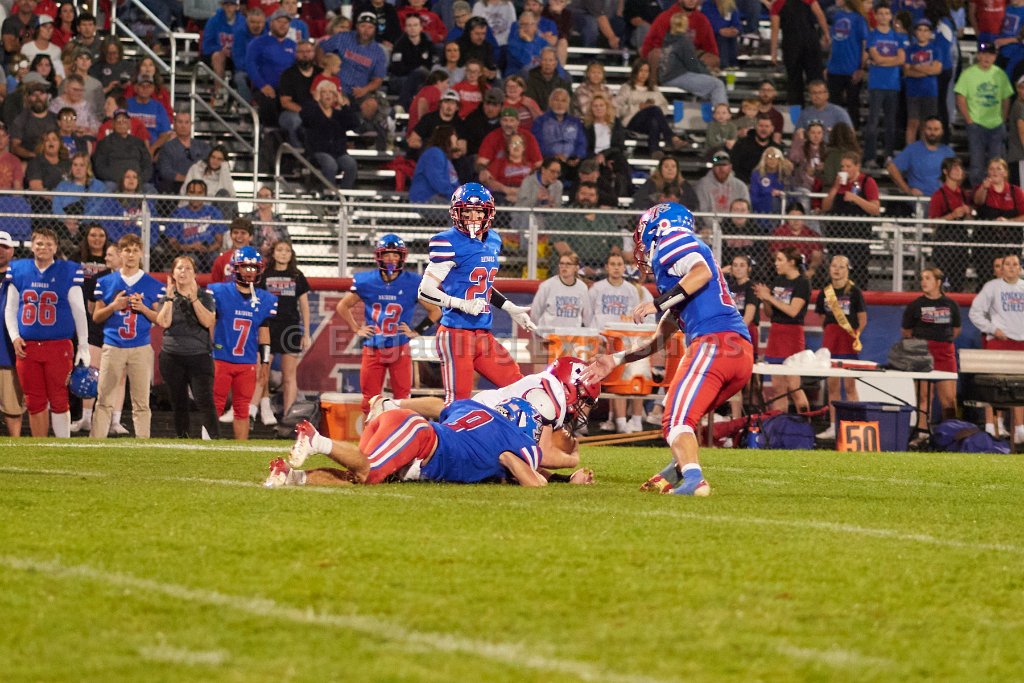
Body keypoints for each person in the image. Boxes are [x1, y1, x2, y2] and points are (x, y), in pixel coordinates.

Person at [582, 202, 753, 496]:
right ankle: (673, 472)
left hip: (714, 344)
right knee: (685, 417)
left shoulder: (672, 241)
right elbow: (659, 340)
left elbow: (701, 273)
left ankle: (695, 480)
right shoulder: (677, 280)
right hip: (738, 353)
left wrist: (657, 303)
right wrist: (616, 359)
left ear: (657, 228)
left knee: (675, 419)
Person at [417, 183, 535, 404]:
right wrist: (461, 303)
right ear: (456, 213)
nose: (473, 217)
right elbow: (425, 290)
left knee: (518, 387)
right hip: (455, 333)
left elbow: (481, 285)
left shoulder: (494, 240)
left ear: (488, 213)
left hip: (482, 333)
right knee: (458, 402)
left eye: (478, 211)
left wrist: (509, 307)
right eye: (467, 211)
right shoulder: (447, 241)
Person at [267, 397, 553, 487]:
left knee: (359, 477)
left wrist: (396, 403)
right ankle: (316, 440)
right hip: (418, 436)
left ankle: (291, 476)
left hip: (408, 426)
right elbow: (531, 480)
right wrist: (556, 471)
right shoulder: (512, 442)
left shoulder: (475, 410)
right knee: (368, 471)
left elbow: (438, 404)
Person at [336, 234, 438, 415]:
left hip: (399, 347)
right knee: (369, 401)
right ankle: (371, 433)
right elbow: (343, 306)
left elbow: (436, 311)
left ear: (402, 257)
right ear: (379, 256)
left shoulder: (413, 282)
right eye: (387, 254)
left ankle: (402, 431)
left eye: (395, 254)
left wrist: (416, 331)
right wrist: (356, 328)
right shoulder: (367, 281)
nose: (391, 259)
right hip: (373, 347)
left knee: (403, 400)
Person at [3, 226, 90, 438]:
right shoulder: (19, 269)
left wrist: (84, 345)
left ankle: (62, 447)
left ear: (56, 247)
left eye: (48, 244)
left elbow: (79, 310)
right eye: (39, 243)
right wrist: (15, 337)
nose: (43, 247)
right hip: (28, 346)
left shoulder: (67, 270)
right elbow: (10, 309)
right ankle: (39, 446)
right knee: (34, 400)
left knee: (59, 398)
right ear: (32, 246)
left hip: (58, 345)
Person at [89, 234, 164, 438]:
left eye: (135, 250)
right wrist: (113, 306)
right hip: (113, 345)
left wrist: (143, 309)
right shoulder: (105, 282)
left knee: (141, 402)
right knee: (104, 399)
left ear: (141, 253)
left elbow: (160, 319)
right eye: (127, 250)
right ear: (120, 253)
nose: (131, 255)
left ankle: (143, 444)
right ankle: (96, 443)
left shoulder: (152, 284)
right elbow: (96, 316)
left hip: (140, 346)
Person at [208, 247, 278, 440]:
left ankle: (241, 448)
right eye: (245, 266)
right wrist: (209, 350)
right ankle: (206, 445)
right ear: (236, 268)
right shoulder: (219, 291)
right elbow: (210, 323)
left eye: (253, 267)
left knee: (242, 408)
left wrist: (265, 361)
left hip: (247, 361)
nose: (249, 271)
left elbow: (264, 333)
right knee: (215, 405)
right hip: (221, 358)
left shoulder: (265, 299)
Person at [157, 255, 218, 439]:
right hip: (172, 356)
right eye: (179, 268)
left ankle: (215, 440)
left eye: (188, 268)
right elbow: (163, 322)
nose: (183, 272)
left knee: (205, 401)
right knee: (178, 402)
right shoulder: (167, 296)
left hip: (199, 356)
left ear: (195, 274)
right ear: (173, 273)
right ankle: (182, 439)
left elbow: (208, 321)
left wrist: (194, 300)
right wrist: (169, 299)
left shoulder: (205, 296)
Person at [69, 224, 121, 435]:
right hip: (87, 320)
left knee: (117, 376)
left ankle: (113, 419)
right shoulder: (78, 259)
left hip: (114, 329)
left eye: (101, 235)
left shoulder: (124, 276)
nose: (97, 239)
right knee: (87, 370)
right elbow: (91, 308)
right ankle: (84, 417)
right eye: (93, 235)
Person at [251, 240, 310, 423]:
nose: (283, 253)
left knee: (289, 377)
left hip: (290, 328)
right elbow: (257, 302)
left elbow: (304, 306)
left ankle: (288, 419)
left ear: (291, 255)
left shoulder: (297, 275)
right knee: (262, 372)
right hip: (268, 327)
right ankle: (252, 412)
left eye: (287, 251)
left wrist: (306, 333)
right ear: (273, 253)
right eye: (280, 250)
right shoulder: (264, 274)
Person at [589, 251, 649, 433]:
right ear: (607, 267)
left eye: (619, 264)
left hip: (624, 341)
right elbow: (588, 314)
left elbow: (634, 316)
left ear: (624, 268)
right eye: (612, 264)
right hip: (601, 340)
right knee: (600, 379)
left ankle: (626, 421)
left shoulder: (631, 290)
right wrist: (596, 337)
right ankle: (607, 420)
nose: (616, 268)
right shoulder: (597, 288)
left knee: (627, 378)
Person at [902, 266, 960, 442]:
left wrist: (940, 341)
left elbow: (956, 329)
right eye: (922, 278)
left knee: (949, 399)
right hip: (922, 355)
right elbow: (906, 331)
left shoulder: (951, 304)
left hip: (945, 355)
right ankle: (922, 433)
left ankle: (951, 436)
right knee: (924, 396)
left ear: (938, 282)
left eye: (928, 278)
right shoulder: (915, 305)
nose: (923, 282)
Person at [813, 255, 867, 439]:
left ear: (847, 270)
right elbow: (822, 317)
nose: (837, 270)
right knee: (833, 386)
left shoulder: (855, 292)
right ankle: (833, 426)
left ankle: (856, 426)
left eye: (841, 266)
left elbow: (862, 319)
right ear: (829, 269)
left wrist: (855, 336)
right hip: (831, 341)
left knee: (850, 386)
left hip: (848, 341)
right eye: (834, 266)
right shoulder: (825, 292)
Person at [753, 245, 811, 413]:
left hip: (792, 334)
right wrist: (765, 299)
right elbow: (770, 313)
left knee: (794, 387)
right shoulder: (778, 281)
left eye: (780, 260)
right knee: (777, 388)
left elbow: (793, 311)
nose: (776, 263)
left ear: (791, 262)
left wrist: (769, 297)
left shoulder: (802, 282)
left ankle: (805, 423)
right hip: (776, 333)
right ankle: (779, 425)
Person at [955, 40, 1013, 186]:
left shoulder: (1000, 74)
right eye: (984, 54)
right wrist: (968, 119)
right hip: (976, 124)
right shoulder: (968, 74)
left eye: (990, 55)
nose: (987, 57)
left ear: (995, 57)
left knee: (998, 164)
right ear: (978, 55)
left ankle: (997, 192)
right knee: (977, 164)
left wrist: (1003, 118)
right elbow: (960, 97)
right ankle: (978, 193)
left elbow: (1006, 98)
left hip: (996, 125)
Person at [822, 150, 880, 287]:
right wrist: (835, 188)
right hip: (837, 235)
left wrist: (856, 198)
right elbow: (825, 207)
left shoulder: (867, 182)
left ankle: (858, 297)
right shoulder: (838, 183)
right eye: (843, 166)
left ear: (857, 166)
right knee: (835, 273)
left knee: (857, 273)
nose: (845, 169)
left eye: (848, 166)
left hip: (858, 236)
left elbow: (875, 209)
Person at [862, 2, 907, 168]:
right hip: (876, 84)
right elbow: (876, 57)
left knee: (890, 123)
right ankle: (870, 157)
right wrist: (889, 60)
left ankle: (889, 156)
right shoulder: (872, 35)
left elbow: (901, 60)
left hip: (893, 85)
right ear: (875, 15)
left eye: (886, 13)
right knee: (873, 122)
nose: (883, 16)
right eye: (880, 13)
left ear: (891, 16)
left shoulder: (897, 36)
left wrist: (882, 61)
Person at [613, 59, 683, 155]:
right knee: (654, 110)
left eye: (646, 71)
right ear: (635, 72)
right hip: (632, 121)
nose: (644, 74)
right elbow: (617, 109)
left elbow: (664, 107)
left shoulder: (653, 88)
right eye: (641, 70)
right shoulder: (626, 88)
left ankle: (655, 151)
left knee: (654, 119)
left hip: (649, 122)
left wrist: (650, 107)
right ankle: (671, 138)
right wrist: (638, 107)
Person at [300, 80, 360, 189]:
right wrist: (315, 101)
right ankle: (329, 193)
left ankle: (344, 194)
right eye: (324, 92)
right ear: (319, 95)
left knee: (351, 164)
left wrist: (343, 105)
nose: (328, 95)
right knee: (330, 164)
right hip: (318, 151)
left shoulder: (339, 114)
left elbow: (355, 123)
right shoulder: (313, 110)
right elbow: (306, 117)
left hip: (338, 152)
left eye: (331, 92)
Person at [660, 11, 729, 106]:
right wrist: (708, 73)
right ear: (686, 24)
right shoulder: (683, 41)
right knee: (718, 84)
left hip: (666, 76)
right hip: (676, 76)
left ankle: (710, 112)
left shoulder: (667, 39)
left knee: (709, 87)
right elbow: (692, 62)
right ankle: (722, 113)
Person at [768, 0, 830, 106]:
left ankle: (796, 114)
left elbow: (775, 29)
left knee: (794, 83)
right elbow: (819, 14)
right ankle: (820, 109)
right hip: (810, 42)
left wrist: (773, 53)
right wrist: (826, 33)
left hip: (791, 45)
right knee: (816, 79)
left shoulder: (777, 3)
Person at [928, 156, 973, 292]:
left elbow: (970, 220)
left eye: (960, 167)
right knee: (943, 281)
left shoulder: (964, 194)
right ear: (945, 171)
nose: (959, 170)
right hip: (944, 242)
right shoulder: (938, 195)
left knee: (959, 281)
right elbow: (932, 223)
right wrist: (952, 215)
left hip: (961, 242)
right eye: (954, 167)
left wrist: (968, 213)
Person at [972, 158, 1024, 269]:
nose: (994, 171)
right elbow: (978, 201)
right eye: (991, 169)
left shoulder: (1016, 191)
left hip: (1010, 241)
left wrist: (1009, 221)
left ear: (1005, 173)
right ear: (988, 172)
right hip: (985, 242)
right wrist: (984, 188)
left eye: (998, 168)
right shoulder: (982, 188)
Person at [886, 117, 955, 199]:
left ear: (942, 131)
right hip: (920, 200)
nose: (932, 132)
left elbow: (958, 174)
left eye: (936, 129)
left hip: (943, 199)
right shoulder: (912, 149)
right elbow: (891, 168)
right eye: (929, 129)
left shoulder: (948, 152)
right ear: (924, 130)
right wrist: (907, 190)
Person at [247, 9, 297, 123]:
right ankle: (269, 130)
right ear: (271, 23)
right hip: (265, 88)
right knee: (268, 102)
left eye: (286, 22)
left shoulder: (293, 45)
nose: (283, 25)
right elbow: (250, 65)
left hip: (287, 90)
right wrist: (262, 85)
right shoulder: (258, 43)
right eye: (279, 21)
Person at [165, 179, 226, 272]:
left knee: (216, 259)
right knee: (191, 260)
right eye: (192, 192)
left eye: (199, 193)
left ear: (205, 195)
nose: (196, 196)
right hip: (186, 252)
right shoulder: (178, 213)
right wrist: (190, 247)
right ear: (187, 194)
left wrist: (208, 248)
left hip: (209, 251)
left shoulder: (213, 212)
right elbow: (172, 242)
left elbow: (219, 241)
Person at [826, 0, 869, 128]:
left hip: (852, 69)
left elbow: (865, 45)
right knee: (833, 106)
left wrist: (861, 68)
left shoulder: (859, 19)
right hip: (834, 69)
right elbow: (834, 42)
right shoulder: (837, 16)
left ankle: (852, 134)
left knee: (852, 106)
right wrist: (828, 64)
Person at [0, 231, 25, 436]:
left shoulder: (21, 276)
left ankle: (15, 446)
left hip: (7, 351)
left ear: (12, 250)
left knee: (13, 407)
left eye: (5, 247)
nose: (0, 251)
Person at [903, 18, 942, 146]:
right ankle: (910, 150)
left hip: (930, 91)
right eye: (920, 30)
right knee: (913, 122)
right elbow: (907, 71)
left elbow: (937, 69)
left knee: (927, 124)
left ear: (930, 33)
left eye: (926, 30)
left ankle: (925, 150)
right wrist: (927, 70)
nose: (923, 33)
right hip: (913, 91)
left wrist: (916, 67)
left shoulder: (935, 49)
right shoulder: (910, 49)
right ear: (915, 32)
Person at [92, 108, 153, 188]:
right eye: (118, 121)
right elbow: (99, 167)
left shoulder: (138, 142)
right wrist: (121, 180)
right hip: (114, 181)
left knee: (149, 189)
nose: (122, 124)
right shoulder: (104, 143)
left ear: (129, 124)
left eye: (124, 121)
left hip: (137, 182)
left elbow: (147, 165)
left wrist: (137, 180)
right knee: (108, 186)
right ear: (113, 124)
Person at [532, 252, 594, 328]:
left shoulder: (582, 287)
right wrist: (540, 331)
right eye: (562, 263)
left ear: (576, 268)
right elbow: (535, 312)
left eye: (568, 264)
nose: (564, 267)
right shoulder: (547, 286)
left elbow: (587, 315)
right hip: (550, 333)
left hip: (572, 333)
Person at [156, 112, 211, 194]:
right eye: (180, 122)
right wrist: (187, 179)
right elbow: (165, 171)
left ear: (191, 125)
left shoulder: (203, 146)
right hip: (175, 187)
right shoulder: (167, 147)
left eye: (186, 122)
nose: (183, 126)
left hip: (202, 186)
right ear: (174, 124)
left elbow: (210, 167)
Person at [695, 150, 751, 214]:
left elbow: (745, 212)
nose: (721, 168)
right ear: (713, 167)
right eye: (717, 165)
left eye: (724, 165)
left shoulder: (740, 186)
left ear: (730, 167)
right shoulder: (702, 185)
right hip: (709, 220)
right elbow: (702, 212)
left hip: (733, 220)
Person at [211, 217, 254, 283]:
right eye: (235, 232)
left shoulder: (258, 259)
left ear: (251, 237)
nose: (239, 236)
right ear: (230, 235)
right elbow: (215, 284)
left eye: (243, 233)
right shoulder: (221, 260)